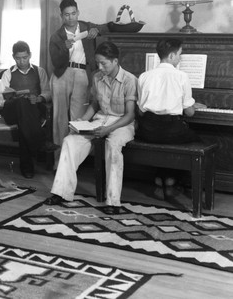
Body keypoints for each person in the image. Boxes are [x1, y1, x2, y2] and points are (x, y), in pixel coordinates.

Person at [45, 42, 137, 214]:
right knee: (69, 141)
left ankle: (113, 202)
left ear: (115, 61)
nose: (100, 67)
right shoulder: (96, 77)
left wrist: (108, 130)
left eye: (104, 63)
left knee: (113, 146)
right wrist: (81, 121)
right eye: (98, 63)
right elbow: (95, 104)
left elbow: (130, 115)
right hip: (100, 120)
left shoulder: (130, 80)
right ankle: (61, 192)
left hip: (121, 123)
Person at [137, 38, 205, 187]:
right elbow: (190, 113)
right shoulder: (181, 76)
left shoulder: (144, 76)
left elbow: (141, 111)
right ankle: (173, 178)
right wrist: (191, 105)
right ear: (172, 56)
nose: (180, 58)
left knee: (162, 141)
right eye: (180, 54)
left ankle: (160, 176)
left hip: (147, 130)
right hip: (171, 130)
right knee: (197, 141)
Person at [49, 0, 109, 166]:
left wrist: (96, 30)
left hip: (83, 73)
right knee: (59, 117)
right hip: (62, 74)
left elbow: (105, 28)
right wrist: (64, 48)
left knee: (79, 117)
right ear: (61, 16)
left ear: (78, 12)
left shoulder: (85, 26)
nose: (71, 18)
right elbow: (56, 61)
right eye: (67, 15)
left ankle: (74, 161)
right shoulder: (56, 36)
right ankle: (59, 161)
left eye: (73, 13)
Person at [0, 41, 58, 179]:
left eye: (24, 57)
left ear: (30, 55)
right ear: (13, 57)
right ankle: (41, 142)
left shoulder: (39, 71)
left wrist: (39, 98)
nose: (22, 61)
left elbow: (48, 93)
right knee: (22, 104)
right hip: (12, 112)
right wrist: (14, 99)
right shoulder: (8, 73)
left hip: (33, 111)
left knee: (24, 122)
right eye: (18, 58)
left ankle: (27, 168)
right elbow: (0, 101)